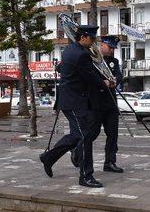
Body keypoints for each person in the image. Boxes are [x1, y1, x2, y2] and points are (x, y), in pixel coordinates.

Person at [39, 25, 112, 188]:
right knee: (85, 136)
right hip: (75, 102)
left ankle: (49, 157)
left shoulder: (70, 49)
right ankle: (86, 176)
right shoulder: (81, 55)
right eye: (92, 39)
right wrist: (105, 83)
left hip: (70, 101)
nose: (94, 43)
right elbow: (91, 78)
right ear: (83, 37)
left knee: (76, 135)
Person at [71, 36, 124, 173]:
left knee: (113, 134)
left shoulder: (114, 62)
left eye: (113, 48)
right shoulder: (90, 58)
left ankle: (110, 162)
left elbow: (118, 76)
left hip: (110, 102)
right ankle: (78, 151)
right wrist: (103, 82)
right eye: (109, 47)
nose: (112, 50)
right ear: (102, 45)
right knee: (92, 133)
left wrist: (114, 81)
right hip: (95, 102)